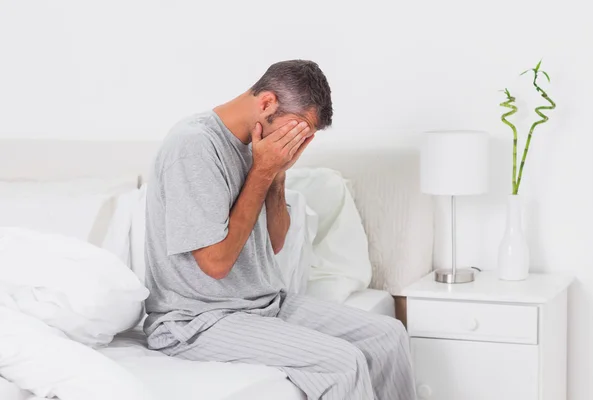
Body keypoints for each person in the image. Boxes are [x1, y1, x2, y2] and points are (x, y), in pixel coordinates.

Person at [144, 60, 416, 400]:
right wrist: (261, 171)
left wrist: (278, 173)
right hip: (196, 322)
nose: (298, 141)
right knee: (343, 362)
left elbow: (276, 241)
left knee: (387, 336)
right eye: (297, 129)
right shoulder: (195, 145)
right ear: (267, 103)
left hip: (265, 304)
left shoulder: (255, 147)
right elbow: (215, 264)